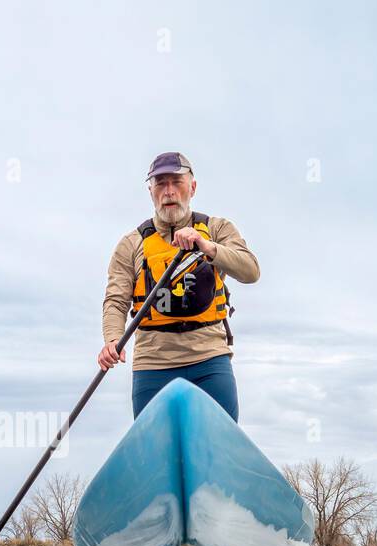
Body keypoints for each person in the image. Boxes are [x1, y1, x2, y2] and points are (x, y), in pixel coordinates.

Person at [98, 151, 260, 421]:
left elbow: (250, 270)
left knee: (216, 451)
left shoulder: (217, 229)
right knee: (156, 456)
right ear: (151, 191)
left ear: (192, 187)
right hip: (153, 365)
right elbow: (116, 300)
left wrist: (207, 246)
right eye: (160, 183)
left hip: (210, 361)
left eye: (176, 181)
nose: (169, 191)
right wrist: (112, 339)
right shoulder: (131, 244)